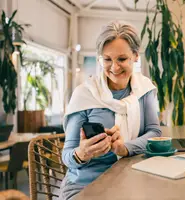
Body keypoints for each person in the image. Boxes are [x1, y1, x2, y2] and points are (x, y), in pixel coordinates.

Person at [59, 21, 161, 200]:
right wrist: (82, 154)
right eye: (107, 59)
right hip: (85, 185)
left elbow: (154, 133)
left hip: (131, 179)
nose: (114, 67)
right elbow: (67, 156)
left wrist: (123, 148)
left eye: (122, 59)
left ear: (136, 56)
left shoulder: (145, 90)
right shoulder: (84, 94)